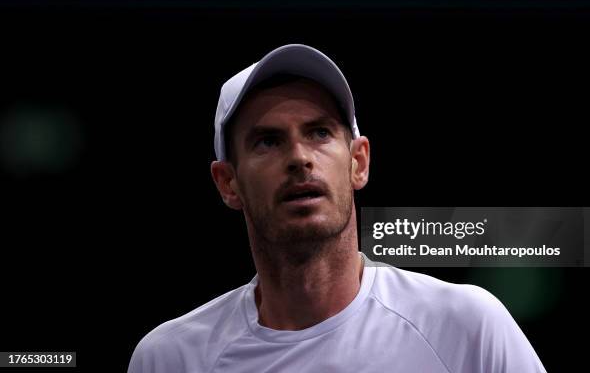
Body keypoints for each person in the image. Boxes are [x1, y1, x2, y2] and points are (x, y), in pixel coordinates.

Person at [128, 44, 547, 373]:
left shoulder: (465, 325)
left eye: (319, 132)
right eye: (268, 141)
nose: (299, 158)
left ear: (358, 162)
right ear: (228, 182)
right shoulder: (170, 358)